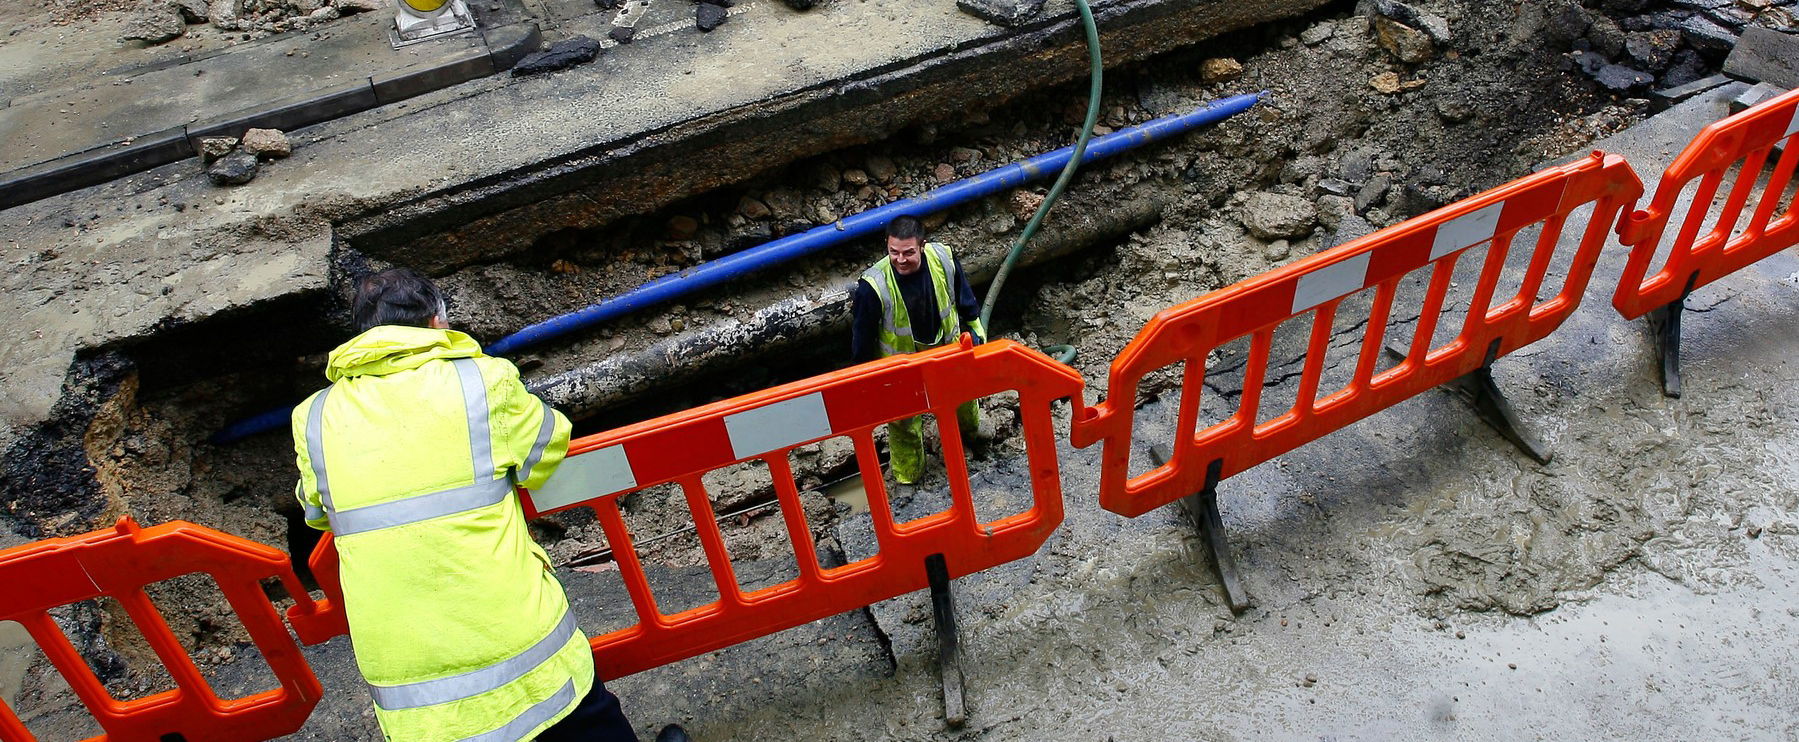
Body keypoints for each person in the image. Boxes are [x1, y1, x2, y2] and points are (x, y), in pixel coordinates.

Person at [292, 269, 685, 742]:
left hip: (406, 670)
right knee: (572, 715)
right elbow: (543, 447)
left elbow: (317, 511)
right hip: (507, 633)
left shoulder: (313, 415)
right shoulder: (481, 380)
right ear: (439, 322)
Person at [850, 215, 987, 484]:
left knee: (962, 398)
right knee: (903, 423)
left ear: (922, 246)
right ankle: (907, 478)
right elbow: (862, 337)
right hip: (902, 366)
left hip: (946, 349)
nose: (900, 260)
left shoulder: (943, 258)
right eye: (894, 252)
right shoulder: (873, 286)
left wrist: (975, 330)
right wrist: (863, 377)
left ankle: (969, 440)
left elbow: (964, 296)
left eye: (908, 253)